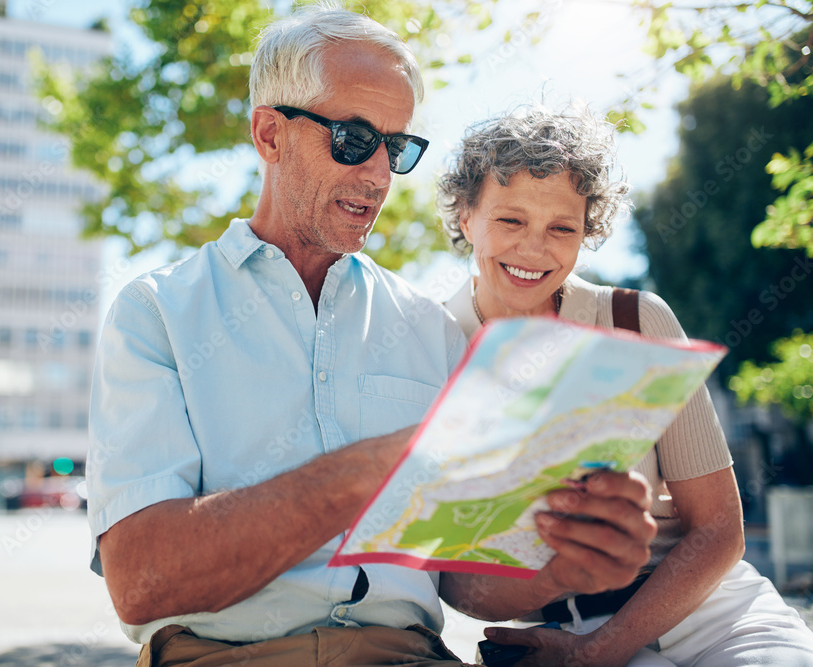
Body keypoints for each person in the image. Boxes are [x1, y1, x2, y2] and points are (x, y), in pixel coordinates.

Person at [87, 7, 659, 666]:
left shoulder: (428, 327)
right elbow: (142, 581)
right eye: (355, 139)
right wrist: (375, 468)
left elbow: (461, 576)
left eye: (398, 148)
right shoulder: (155, 313)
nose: (380, 175)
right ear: (270, 134)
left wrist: (565, 566)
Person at [437, 103, 813, 666]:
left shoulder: (638, 320)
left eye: (562, 228)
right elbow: (456, 584)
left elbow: (719, 529)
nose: (534, 249)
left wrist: (600, 650)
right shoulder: (434, 348)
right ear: (466, 217)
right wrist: (560, 583)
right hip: (555, 635)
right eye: (510, 221)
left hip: (710, 611)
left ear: (586, 232)